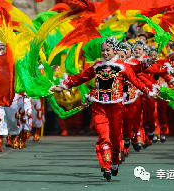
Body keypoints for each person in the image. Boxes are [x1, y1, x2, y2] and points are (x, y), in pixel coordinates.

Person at [51, 36, 157, 181]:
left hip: (116, 107)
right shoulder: (97, 66)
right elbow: (80, 78)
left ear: (114, 50)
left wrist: (149, 92)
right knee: (103, 137)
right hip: (99, 107)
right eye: (103, 51)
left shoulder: (123, 67)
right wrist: (62, 86)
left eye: (108, 50)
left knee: (115, 139)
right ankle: (106, 166)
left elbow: (136, 81)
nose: (105, 53)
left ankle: (114, 161)